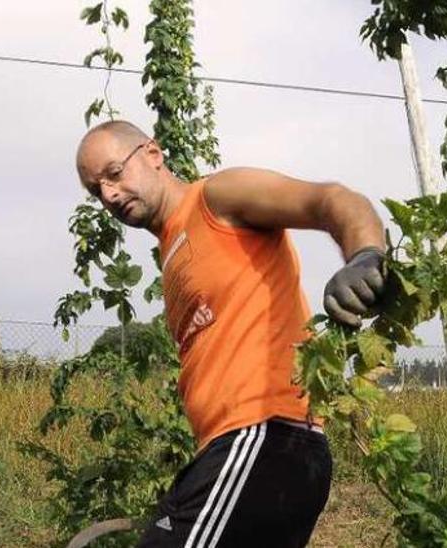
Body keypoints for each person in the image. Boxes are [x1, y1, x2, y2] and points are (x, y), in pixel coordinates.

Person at [74, 120, 388, 547]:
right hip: (240, 450)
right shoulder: (172, 250)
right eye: (97, 190)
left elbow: (330, 199)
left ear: (152, 154)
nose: (109, 195)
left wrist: (365, 255)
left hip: (264, 440)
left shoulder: (217, 199)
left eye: (114, 173)